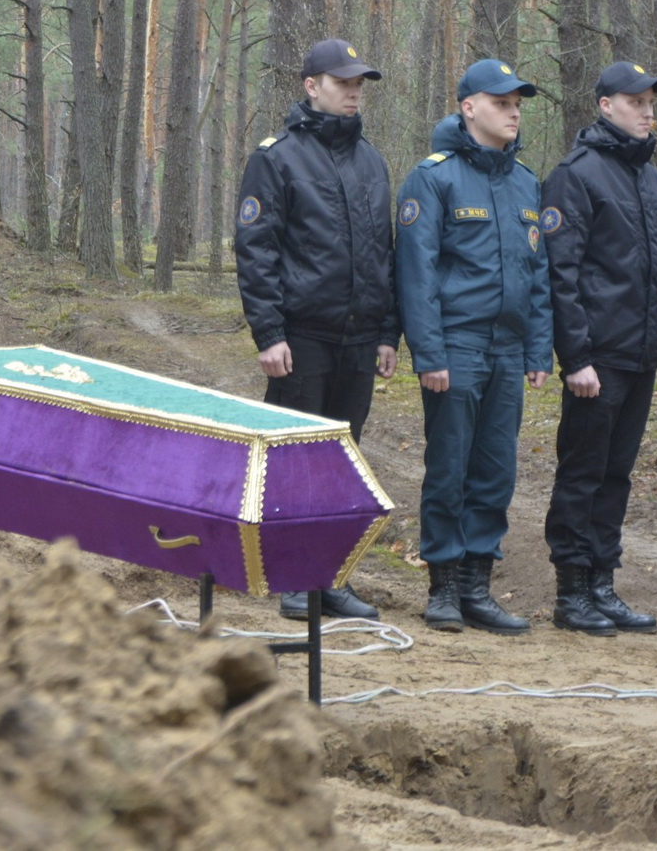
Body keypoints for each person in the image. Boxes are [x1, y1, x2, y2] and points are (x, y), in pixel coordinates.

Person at [234, 37, 399, 622]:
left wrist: (388, 332)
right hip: (302, 337)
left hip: (360, 338)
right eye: (342, 83)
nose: (353, 93)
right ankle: (292, 578)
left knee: (342, 463)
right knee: (295, 460)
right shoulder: (276, 158)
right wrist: (269, 332)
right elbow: (256, 251)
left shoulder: (372, 161)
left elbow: (385, 254)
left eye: (358, 84)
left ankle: (329, 577)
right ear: (311, 86)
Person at [394, 60, 553, 634]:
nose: (513, 112)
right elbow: (416, 275)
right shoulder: (433, 178)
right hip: (457, 345)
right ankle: (442, 586)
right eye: (501, 102)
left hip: (508, 349)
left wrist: (538, 350)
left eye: (518, 104)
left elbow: (538, 275)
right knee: (450, 467)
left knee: (495, 471)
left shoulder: (526, 182)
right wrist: (430, 354)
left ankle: (476, 588)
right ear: (469, 107)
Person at [538, 61, 657, 637]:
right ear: (605, 105)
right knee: (583, 473)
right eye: (635, 101)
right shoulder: (576, 175)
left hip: (642, 355)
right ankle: (572, 590)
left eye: (650, 102)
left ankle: (602, 583)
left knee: (617, 474)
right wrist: (575, 358)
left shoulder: (654, 181)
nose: (647, 111)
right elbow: (562, 274)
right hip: (597, 358)